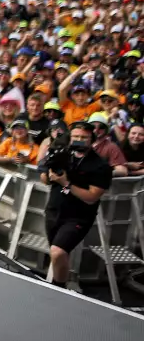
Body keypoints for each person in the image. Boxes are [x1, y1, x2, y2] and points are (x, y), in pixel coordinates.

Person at [40, 121, 112, 288]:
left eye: (84, 137)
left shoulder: (100, 165)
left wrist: (65, 182)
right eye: (76, 137)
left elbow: (92, 197)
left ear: (92, 140)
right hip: (54, 210)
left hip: (79, 216)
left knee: (57, 252)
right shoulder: (62, 154)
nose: (79, 140)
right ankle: (60, 283)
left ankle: (58, 286)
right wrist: (49, 171)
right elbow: (45, 180)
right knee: (57, 252)